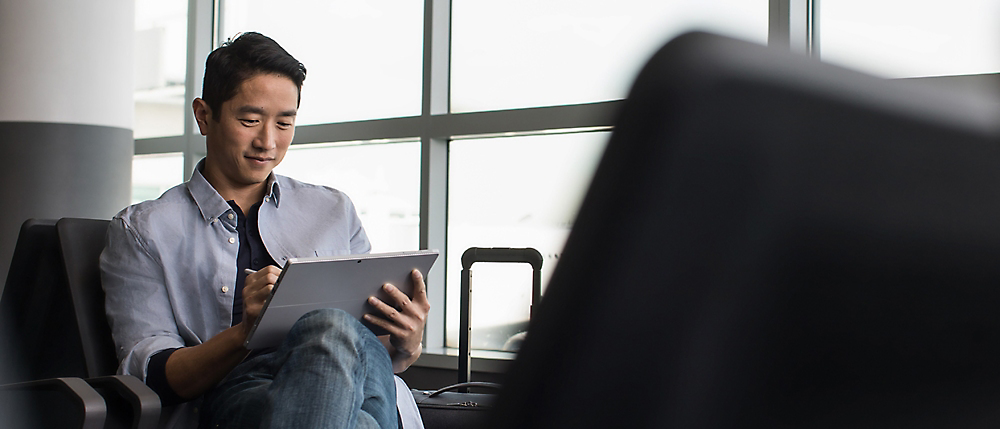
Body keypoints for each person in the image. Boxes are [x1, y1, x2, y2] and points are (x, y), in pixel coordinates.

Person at [100, 32, 428, 429]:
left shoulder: (333, 210)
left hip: (352, 382)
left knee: (341, 355)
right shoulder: (144, 230)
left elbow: (371, 353)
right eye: (250, 120)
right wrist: (244, 333)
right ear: (204, 115)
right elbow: (149, 374)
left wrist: (405, 342)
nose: (267, 142)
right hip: (237, 391)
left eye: (285, 123)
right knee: (335, 346)